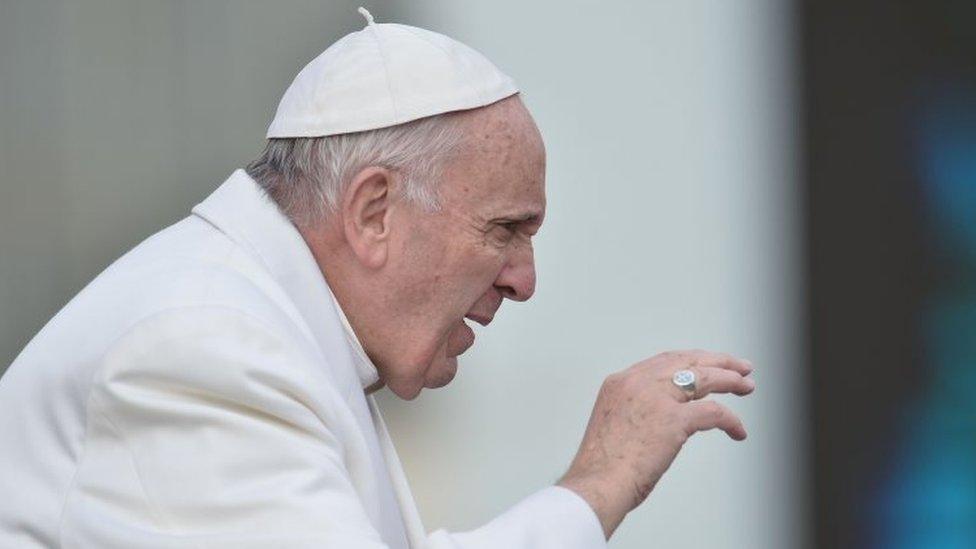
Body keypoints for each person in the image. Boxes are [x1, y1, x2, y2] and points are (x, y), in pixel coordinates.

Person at [0, 8, 755, 548]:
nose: (525, 279)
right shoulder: (201, 343)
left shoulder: (262, 325)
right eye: (505, 228)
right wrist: (598, 483)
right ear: (372, 212)